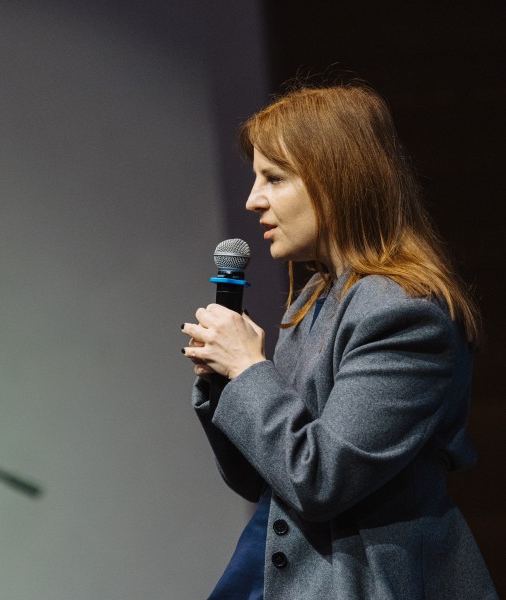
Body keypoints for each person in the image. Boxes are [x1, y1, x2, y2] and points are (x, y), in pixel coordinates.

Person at [181, 80, 498, 599]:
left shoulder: (403, 313)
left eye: (274, 178)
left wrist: (249, 371)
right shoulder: (317, 299)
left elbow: (319, 479)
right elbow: (267, 480)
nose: (253, 200)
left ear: (335, 181)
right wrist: (225, 382)